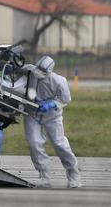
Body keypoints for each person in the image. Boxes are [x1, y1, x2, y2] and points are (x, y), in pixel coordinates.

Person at [24, 55, 81, 188]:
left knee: (59, 144)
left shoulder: (59, 81)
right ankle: (44, 176)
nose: (39, 73)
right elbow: (17, 69)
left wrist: (52, 104)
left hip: (52, 116)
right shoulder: (30, 70)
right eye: (38, 68)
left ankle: (74, 174)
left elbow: (65, 99)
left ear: (49, 71)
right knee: (34, 143)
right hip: (32, 112)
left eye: (43, 71)